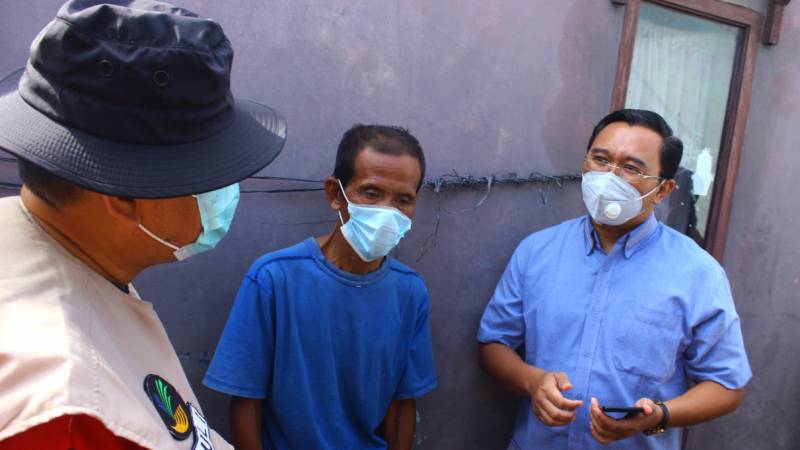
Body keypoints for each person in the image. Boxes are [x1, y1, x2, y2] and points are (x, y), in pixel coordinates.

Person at [0, 1, 287, 449]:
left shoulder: (64, 249)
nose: (228, 189)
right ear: (123, 196)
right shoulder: (71, 413)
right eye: (211, 171)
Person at [477, 109, 751, 450]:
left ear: (663, 190)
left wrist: (660, 416)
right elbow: (493, 345)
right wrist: (533, 382)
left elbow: (727, 385)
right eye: (601, 159)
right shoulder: (537, 251)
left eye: (631, 168)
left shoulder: (698, 273)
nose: (609, 176)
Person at [203, 125, 437, 450]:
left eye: (403, 199)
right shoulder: (274, 279)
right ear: (335, 194)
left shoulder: (409, 293)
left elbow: (402, 405)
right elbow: (246, 404)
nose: (387, 212)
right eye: (371, 194)